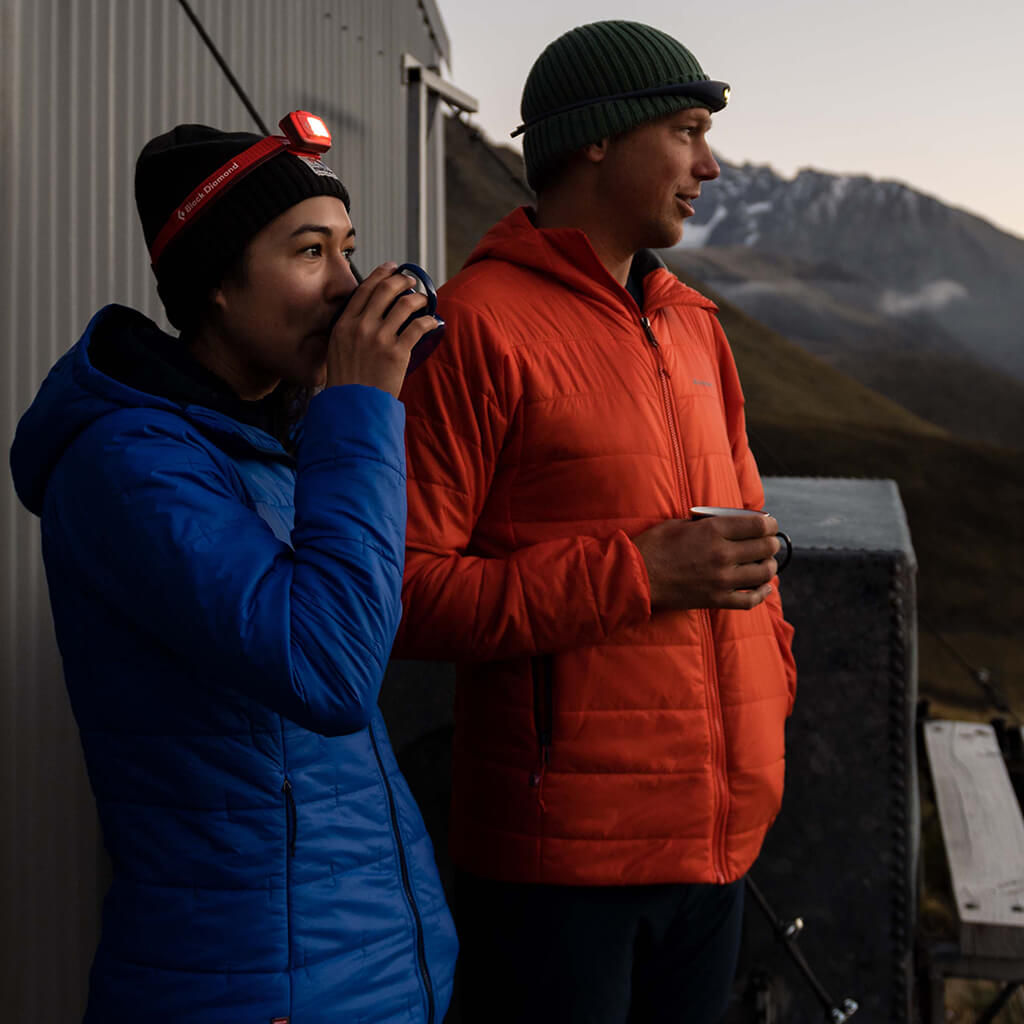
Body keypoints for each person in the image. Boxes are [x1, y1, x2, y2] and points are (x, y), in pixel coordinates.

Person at [9, 113, 457, 1023]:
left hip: (364, 971)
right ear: (215, 283)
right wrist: (359, 406)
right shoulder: (130, 463)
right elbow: (329, 671)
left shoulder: (277, 442)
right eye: (308, 252)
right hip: (254, 987)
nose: (345, 285)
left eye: (350, 250)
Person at [394, 21, 797, 1024]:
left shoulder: (697, 326)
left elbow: (747, 552)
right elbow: (402, 592)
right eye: (687, 131)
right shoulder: (476, 327)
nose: (710, 165)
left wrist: (769, 692)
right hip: (562, 866)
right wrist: (639, 576)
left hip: (714, 839)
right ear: (597, 141)